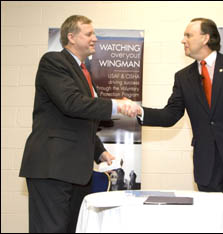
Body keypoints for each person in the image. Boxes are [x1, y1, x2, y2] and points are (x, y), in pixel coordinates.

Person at [127, 18, 223, 233]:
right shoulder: (183, 77)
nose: (183, 40)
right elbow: (171, 115)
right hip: (208, 168)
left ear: (206, 38)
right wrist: (140, 111)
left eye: (188, 35)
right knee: (214, 225)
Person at [19, 15, 136, 233]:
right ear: (71, 37)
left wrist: (100, 152)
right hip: (52, 168)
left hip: (76, 172)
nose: (95, 38)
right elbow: (71, 104)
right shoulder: (53, 61)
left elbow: (81, 121)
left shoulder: (85, 73)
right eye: (89, 33)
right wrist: (117, 105)